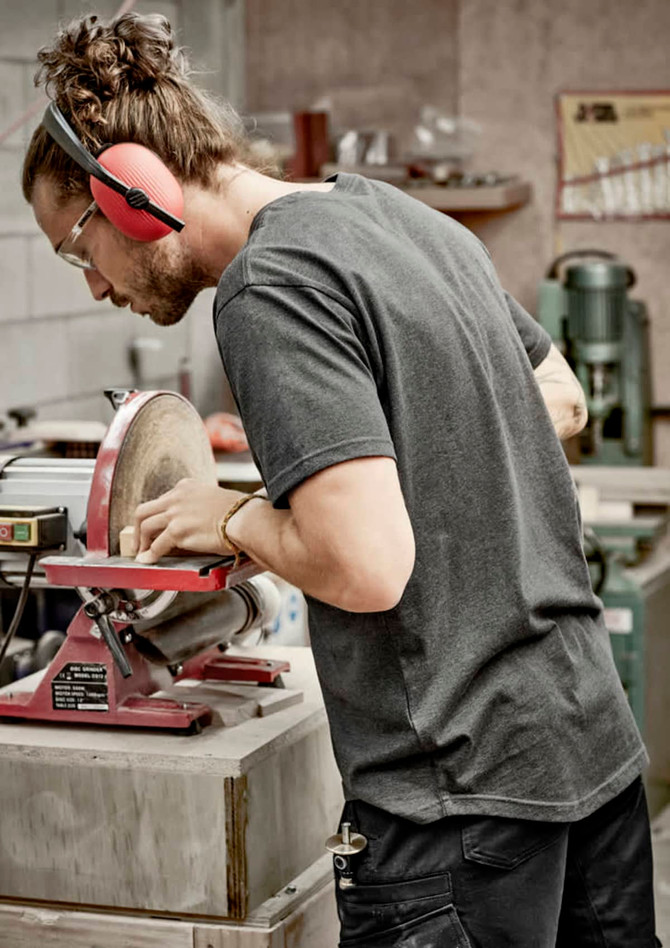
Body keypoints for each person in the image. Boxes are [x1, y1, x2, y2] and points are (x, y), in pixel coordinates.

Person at [23, 13, 659, 947]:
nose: (93, 285)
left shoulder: (268, 284)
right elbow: (558, 400)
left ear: (129, 193)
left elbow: (365, 567)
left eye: (78, 247)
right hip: (590, 750)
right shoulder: (404, 218)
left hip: (457, 806)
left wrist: (235, 517)